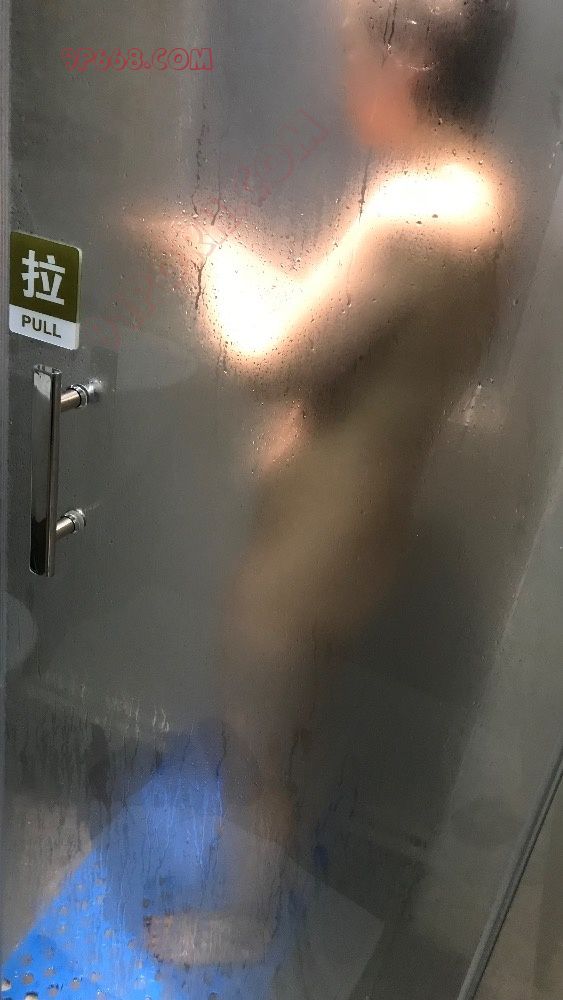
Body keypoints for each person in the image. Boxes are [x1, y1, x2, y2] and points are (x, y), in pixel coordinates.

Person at [144, 0, 516, 966]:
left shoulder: (410, 215)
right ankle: (259, 893)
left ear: (410, 58)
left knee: (255, 746)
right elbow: (354, 342)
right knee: (292, 729)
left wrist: (207, 264)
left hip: (307, 551)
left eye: (353, 52)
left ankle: (235, 927)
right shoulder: (481, 200)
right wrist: (250, 271)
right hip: (365, 529)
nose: (344, 74)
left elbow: (270, 361)